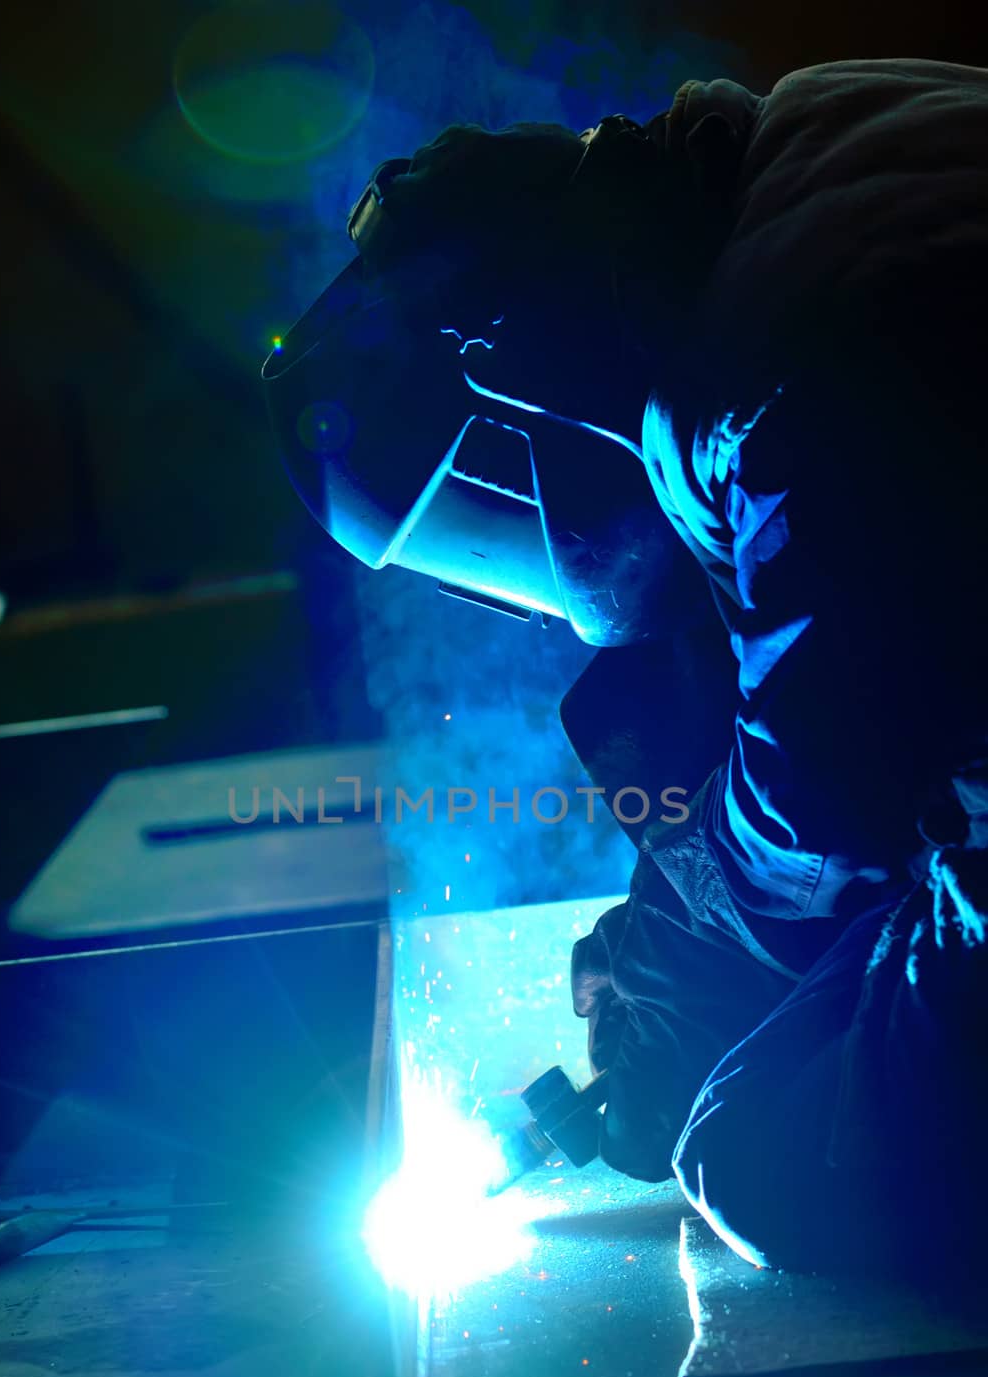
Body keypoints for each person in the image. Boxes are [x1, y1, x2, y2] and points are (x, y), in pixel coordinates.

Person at [266, 59, 988, 1274]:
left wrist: (684, 946)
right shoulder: (814, 141)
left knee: (752, 1149)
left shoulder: (763, 388)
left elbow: (831, 799)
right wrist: (689, 929)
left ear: (509, 388)